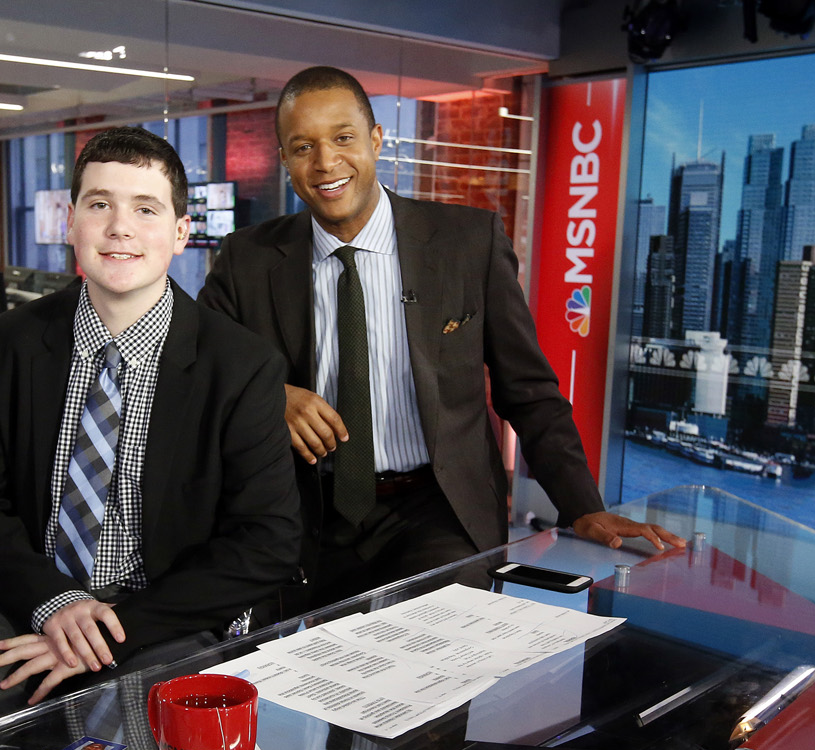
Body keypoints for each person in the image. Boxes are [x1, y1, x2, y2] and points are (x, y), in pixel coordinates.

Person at [0, 126, 302, 750]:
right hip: (29, 597)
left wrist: (106, 631)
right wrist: (57, 604)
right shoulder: (14, 341)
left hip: (164, 613)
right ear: (71, 222)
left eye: (146, 209)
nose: (120, 228)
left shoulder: (240, 364)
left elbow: (267, 541)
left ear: (181, 232)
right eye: (100, 204)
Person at [197, 66, 683, 607]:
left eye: (343, 138)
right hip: (304, 513)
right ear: (285, 160)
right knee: (311, 661)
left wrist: (583, 506)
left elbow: (527, 390)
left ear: (376, 140)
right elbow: (194, 373)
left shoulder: (468, 242)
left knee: (434, 653)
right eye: (303, 147)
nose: (326, 162)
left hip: (438, 508)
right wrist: (271, 397)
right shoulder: (246, 259)